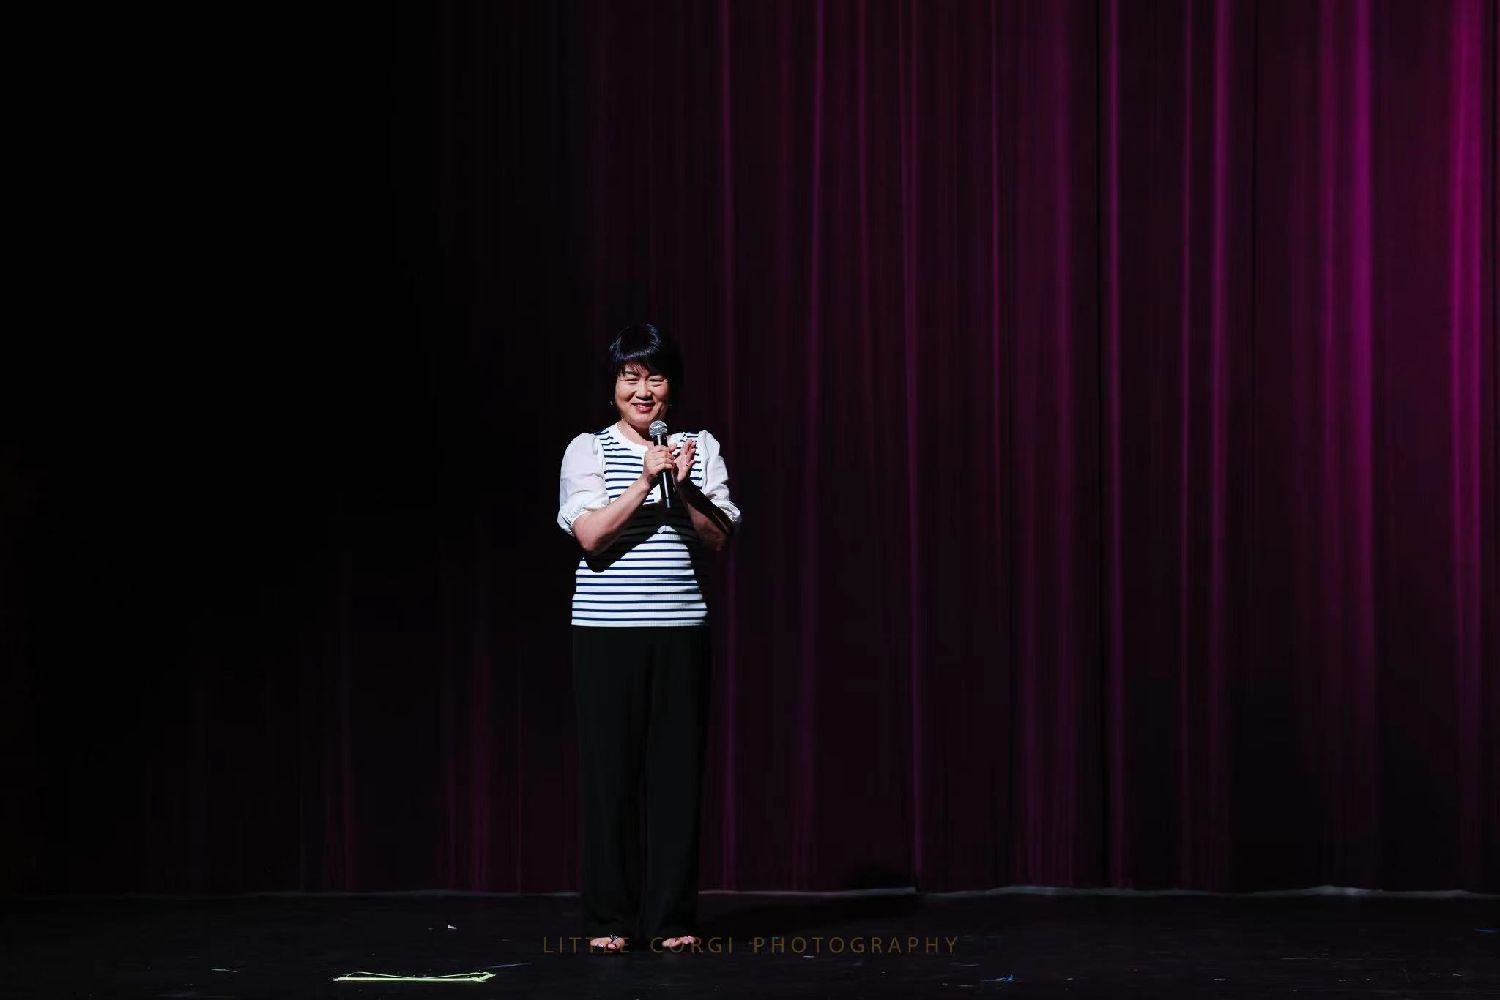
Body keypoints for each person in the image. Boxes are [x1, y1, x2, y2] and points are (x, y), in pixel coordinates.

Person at [556, 323, 741, 953]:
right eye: (630, 378)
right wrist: (642, 482)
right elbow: (589, 536)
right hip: (605, 637)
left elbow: (719, 538)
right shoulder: (586, 450)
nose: (643, 392)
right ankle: (609, 919)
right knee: (610, 777)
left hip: (680, 631)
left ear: (671, 387)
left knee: (675, 778)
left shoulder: (700, 448)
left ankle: (671, 920)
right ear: (613, 388)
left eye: (655, 379)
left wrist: (682, 486)